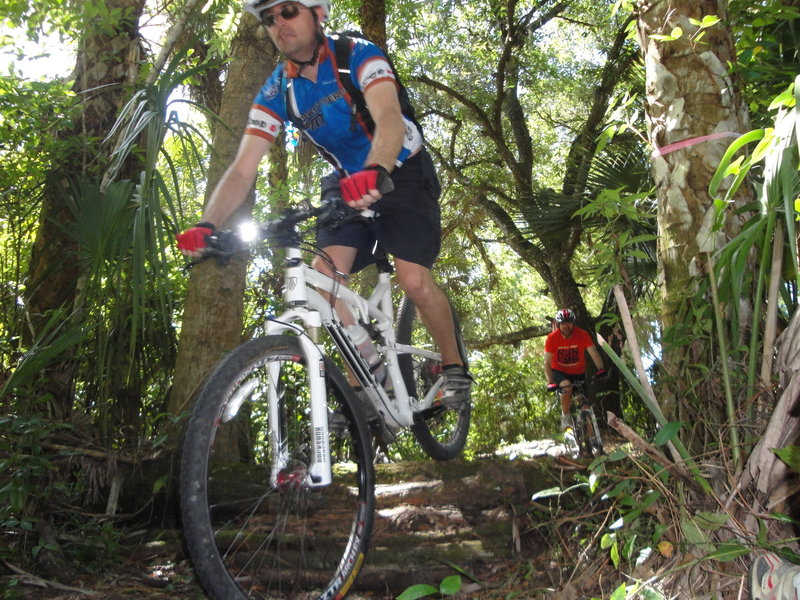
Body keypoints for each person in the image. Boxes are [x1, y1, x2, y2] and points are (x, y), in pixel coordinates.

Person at [176, 0, 471, 403]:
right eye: (269, 18)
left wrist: (378, 168)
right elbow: (243, 168)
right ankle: (368, 375)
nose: (279, 23)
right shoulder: (278, 87)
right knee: (323, 281)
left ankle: (454, 366)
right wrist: (207, 224)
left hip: (400, 169)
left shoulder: (356, 55)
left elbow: (388, 117)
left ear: (318, 14)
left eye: (289, 11)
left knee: (414, 280)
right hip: (347, 180)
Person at [544, 308, 606, 431]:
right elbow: (547, 362)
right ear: (559, 324)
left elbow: (593, 353)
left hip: (578, 373)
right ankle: (566, 415)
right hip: (559, 372)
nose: (566, 326)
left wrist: (601, 368)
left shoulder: (582, 334)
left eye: (569, 322)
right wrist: (551, 381)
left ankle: (591, 440)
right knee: (566, 386)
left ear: (573, 323)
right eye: (563, 323)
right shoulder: (552, 338)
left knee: (584, 404)